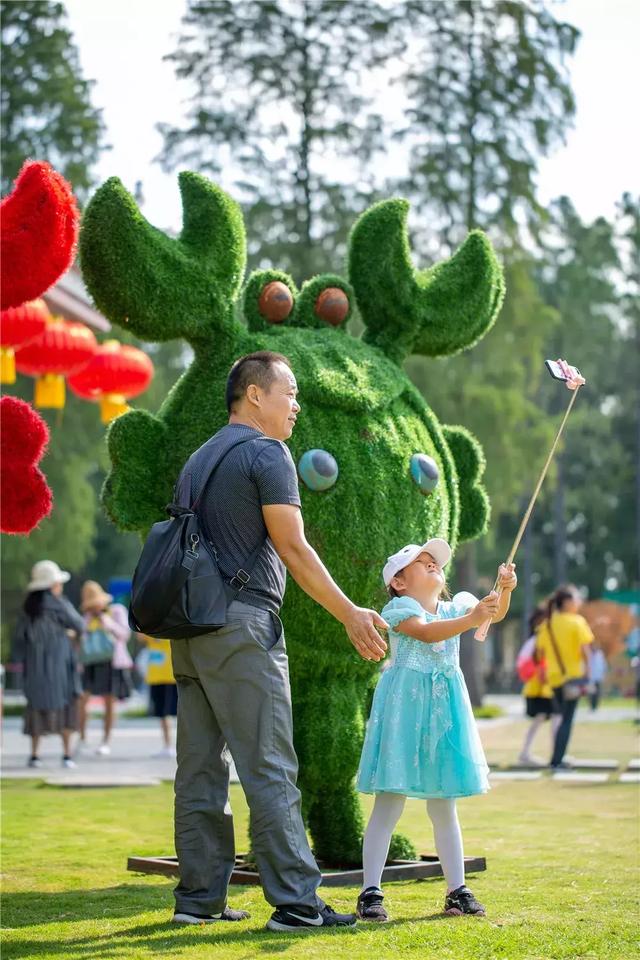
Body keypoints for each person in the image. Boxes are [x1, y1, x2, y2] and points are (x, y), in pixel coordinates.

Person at [170, 351, 387, 932]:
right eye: (289, 391)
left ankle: (197, 902)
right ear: (254, 395)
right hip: (242, 628)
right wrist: (349, 612)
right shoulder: (267, 453)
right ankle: (296, 902)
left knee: (199, 771)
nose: (297, 404)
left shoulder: (198, 459)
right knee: (268, 763)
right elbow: (292, 545)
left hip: (189, 633)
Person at [355, 540, 517, 921]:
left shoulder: (455, 606)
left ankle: (456, 890)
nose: (431, 565)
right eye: (421, 562)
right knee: (390, 799)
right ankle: (370, 891)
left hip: (443, 711)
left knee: (445, 803)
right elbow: (427, 634)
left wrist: (503, 590)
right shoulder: (399, 609)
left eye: (434, 562)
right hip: (405, 712)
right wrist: (474, 616)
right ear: (398, 581)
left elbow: (491, 614)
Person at [12, 560, 84, 768]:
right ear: (52, 585)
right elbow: (79, 624)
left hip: (35, 669)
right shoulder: (59, 604)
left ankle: (34, 755)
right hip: (60, 667)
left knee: (36, 707)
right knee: (65, 705)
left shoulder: (28, 608)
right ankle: (66, 755)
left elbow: (19, 641)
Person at [535, 585, 594, 769]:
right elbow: (586, 652)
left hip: (554, 679)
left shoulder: (547, 624)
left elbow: (539, 654)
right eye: (576, 599)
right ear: (567, 602)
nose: (578, 603)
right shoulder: (577, 622)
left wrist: (544, 672)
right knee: (567, 719)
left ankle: (558, 757)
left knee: (561, 717)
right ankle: (557, 760)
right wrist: (589, 674)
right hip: (573, 678)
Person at [78, 580, 132, 756]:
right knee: (82, 699)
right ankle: (82, 737)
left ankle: (105, 740)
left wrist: (106, 621)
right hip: (91, 662)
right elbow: (81, 642)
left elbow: (125, 635)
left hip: (112, 661)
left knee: (109, 702)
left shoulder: (116, 611)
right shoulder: (86, 618)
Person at [517, 606, 561, 766]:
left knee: (551, 718)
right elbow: (526, 663)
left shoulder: (539, 639)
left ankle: (554, 753)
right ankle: (528, 753)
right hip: (539, 688)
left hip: (543, 688)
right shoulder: (536, 640)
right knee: (548, 718)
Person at [140, 635, 177, 757]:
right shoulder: (151, 630)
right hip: (155, 677)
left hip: (169, 676)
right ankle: (167, 746)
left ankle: (171, 746)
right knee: (162, 714)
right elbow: (139, 636)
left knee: (170, 714)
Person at [587, 643, 608, 712]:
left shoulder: (600, 654)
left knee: (597, 692)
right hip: (591, 677)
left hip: (598, 676)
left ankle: (596, 706)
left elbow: (603, 664)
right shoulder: (589, 654)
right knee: (591, 692)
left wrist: (604, 673)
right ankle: (591, 706)